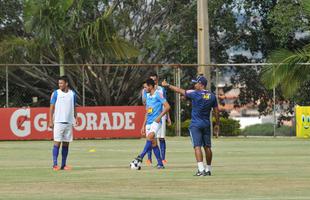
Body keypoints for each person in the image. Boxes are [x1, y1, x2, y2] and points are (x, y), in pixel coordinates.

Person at [162, 75, 219, 176]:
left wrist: (168, 85)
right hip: (206, 124)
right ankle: (208, 169)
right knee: (207, 147)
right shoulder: (212, 95)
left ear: (201, 84)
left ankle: (201, 170)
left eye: (196, 83)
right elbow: (216, 111)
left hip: (196, 124)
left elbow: (180, 90)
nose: (195, 84)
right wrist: (217, 124)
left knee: (197, 146)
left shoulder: (195, 94)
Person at [133, 78, 170, 169]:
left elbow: (167, 106)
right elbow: (147, 112)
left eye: (145, 87)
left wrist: (159, 117)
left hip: (156, 122)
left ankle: (140, 157)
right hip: (149, 122)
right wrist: (143, 125)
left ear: (150, 86)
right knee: (153, 143)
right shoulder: (148, 96)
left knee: (150, 137)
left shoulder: (158, 95)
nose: (144, 89)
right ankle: (160, 164)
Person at [49, 75, 77, 171]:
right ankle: (55, 164)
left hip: (68, 122)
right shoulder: (56, 93)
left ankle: (64, 165)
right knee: (57, 143)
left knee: (66, 144)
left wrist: (75, 118)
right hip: (58, 122)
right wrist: (50, 120)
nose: (60, 85)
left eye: (61, 83)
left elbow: (74, 107)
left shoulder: (72, 94)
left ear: (66, 83)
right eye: (59, 83)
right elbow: (51, 107)